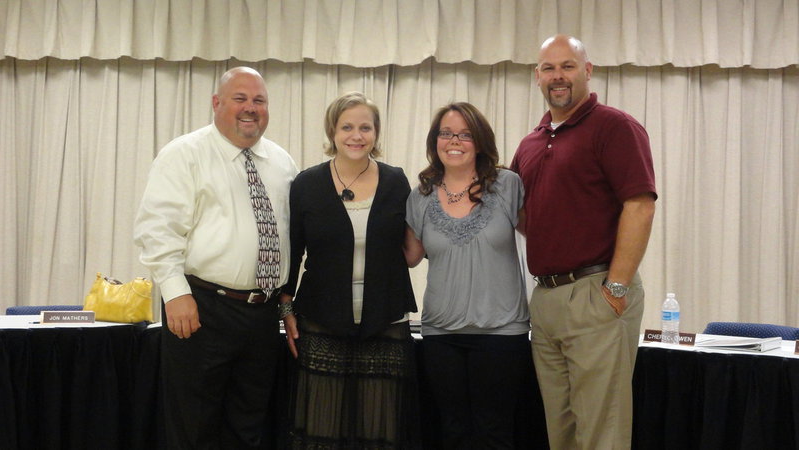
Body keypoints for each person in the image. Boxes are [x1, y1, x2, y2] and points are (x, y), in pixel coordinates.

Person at [134, 66, 299, 449]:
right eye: (240, 98)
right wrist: (175, 292)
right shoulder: (184, 154)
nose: (250, 108)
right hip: (201, 308)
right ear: (216, 103)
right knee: (193, 428)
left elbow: (290, 239)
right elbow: (157, 228)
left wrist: (285, 303)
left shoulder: (282, 163)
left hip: (262, 316)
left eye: (259, 100)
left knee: (248, 427)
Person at [510, 35, 657, 449]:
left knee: (601, 429)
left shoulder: (615, 127)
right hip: (546, 298)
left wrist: (616, 288)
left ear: (588, 71)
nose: (558, 76)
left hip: (597, 291)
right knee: (561, 430)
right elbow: (524, 216)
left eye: (568, 66)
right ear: (537, 76)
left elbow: (640, 206)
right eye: (549, 68)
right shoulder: (531, 143)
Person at [280, 91, 420, 449]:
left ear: (376, 133)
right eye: (346, 127)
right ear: (332, 131)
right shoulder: (307, 184)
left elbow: (411, 249)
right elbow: (293, 252)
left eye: (365, 128)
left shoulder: (396, 181)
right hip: (321, 319)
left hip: (385, 320)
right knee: (322, 428)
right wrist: (285, 307)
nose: (356, 136)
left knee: (380, 429)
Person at [404, 102, 532, 449]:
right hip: (440, 334)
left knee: (495, 433)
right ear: (435, 140)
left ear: (480, 141)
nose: (454, 141)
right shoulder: (419, 196)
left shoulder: (507, 185)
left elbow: (542, 237)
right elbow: (409, 258)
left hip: (502, 332)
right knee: (453, 431)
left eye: (465, 134)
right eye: (446, 133)